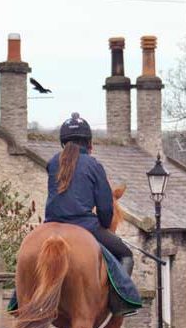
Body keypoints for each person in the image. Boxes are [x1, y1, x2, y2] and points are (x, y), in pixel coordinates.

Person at [43, 112, 133, 276]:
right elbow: (105, 207)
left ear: (63, 143)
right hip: (84, 225)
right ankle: (122, 301)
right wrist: (104, 226)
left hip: (50, 225)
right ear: (88, 143)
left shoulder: (52, 162)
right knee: (126, 255)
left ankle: (17, 301)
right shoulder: (93, 165)